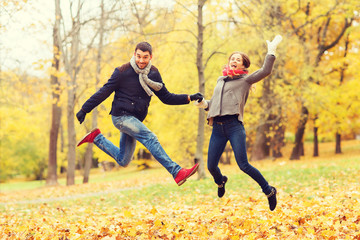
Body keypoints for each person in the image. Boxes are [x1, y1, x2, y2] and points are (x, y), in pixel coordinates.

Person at [76, 42, 203, 186]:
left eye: (145, 57)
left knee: (124, 160)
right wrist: (85, 109)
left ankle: (97, 138)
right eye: (138, 56)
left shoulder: (153, 74)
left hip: (135, 120)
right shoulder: (122, 72)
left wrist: (189, 97)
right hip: (121, 117)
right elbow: (104, 92)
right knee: (150, 138)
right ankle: (177, 172)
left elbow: (167, 98)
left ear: (151, 57)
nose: (141, 61)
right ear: (134, 54)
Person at [194, 35, 282, 210]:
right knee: (211, 166)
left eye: (238, 59)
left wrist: (271, 52)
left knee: (243, 165)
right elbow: (215, 103)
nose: (234, 60)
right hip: (217, 129)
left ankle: (269, 190)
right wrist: (205, 104)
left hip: (234, 127)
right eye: (232, 58)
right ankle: (221, 181)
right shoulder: (220, 80)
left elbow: (265, 71)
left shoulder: (245, 80)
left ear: (243, 65)